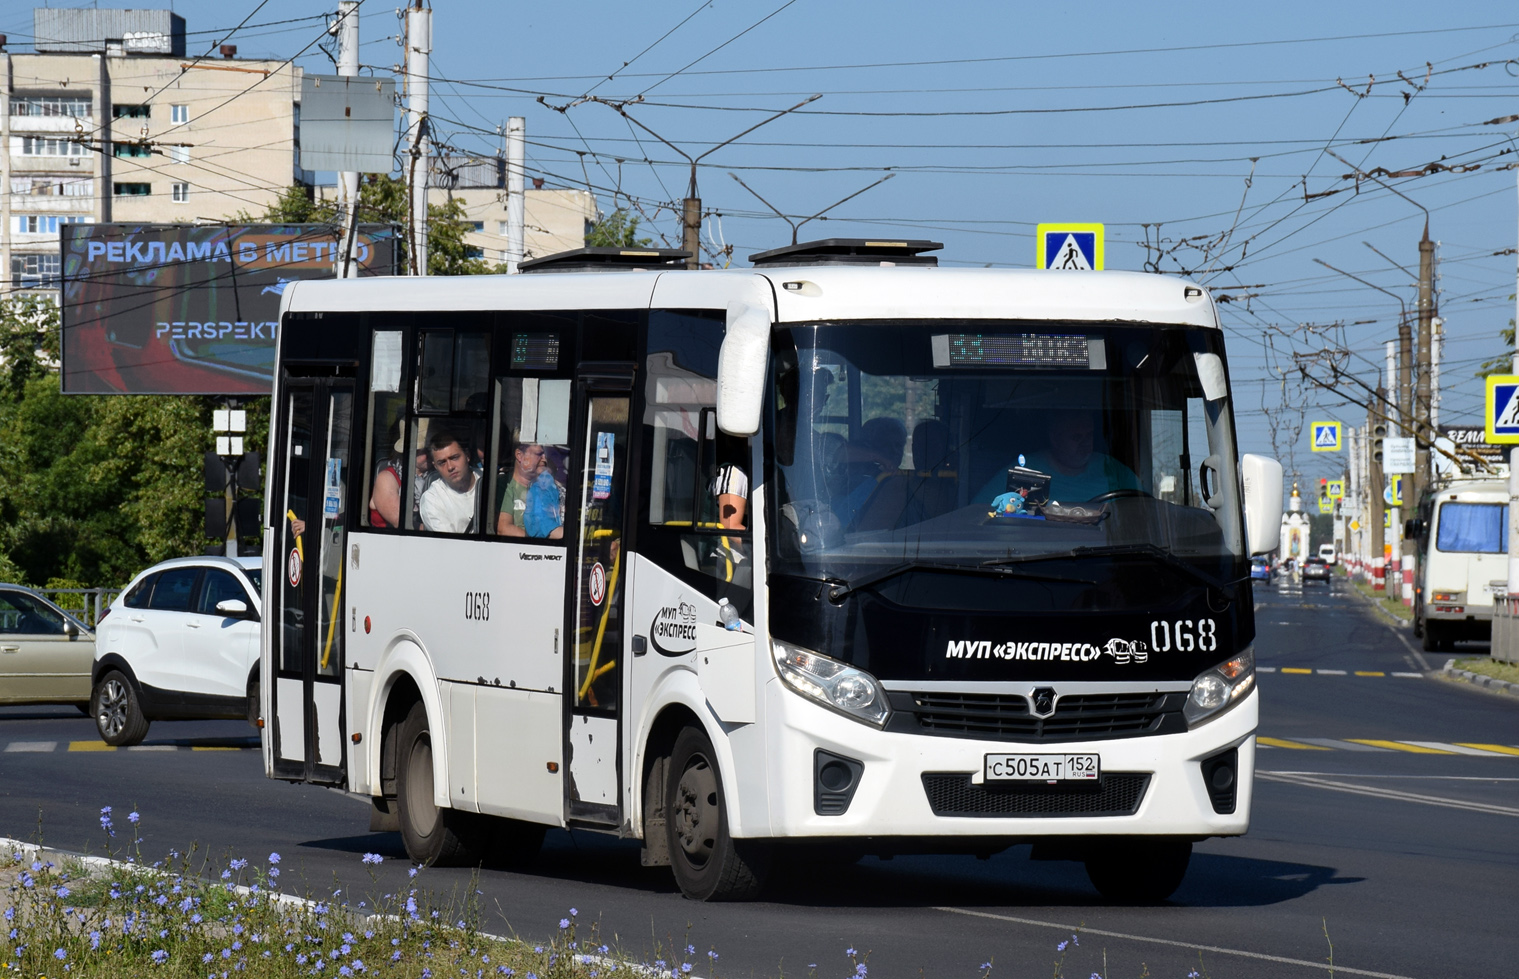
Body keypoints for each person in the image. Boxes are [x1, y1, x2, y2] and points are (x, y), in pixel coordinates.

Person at [979, 412, 1140, 504]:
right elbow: (979, 510)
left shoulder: (1112, 469)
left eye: (1089, 436)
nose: (1085, 444)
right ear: (1055, 439)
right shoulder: (1025, 470)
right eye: (1076, 437)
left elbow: (1147, 510)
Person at [369, 418, 431, 528]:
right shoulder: (387, 478)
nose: (429, 454)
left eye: (432, 449)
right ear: (410, 451)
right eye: (423, 450)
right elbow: (403, 523)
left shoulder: (437, 477)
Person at [496, 442, 565, 539]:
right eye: (538, 454)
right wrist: (536, 538)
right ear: (520, 456)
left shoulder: (550, 488)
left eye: (545, 454)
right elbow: (503, 528)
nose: (544, 459)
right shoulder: (505, 485)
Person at [419, 428, 480, 533]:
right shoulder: (432, 500)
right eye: (442, 462)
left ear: (467, 456)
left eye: (454, 458)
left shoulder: (489, 481)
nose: (450, 467)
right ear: (435, 467)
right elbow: (449, 546)